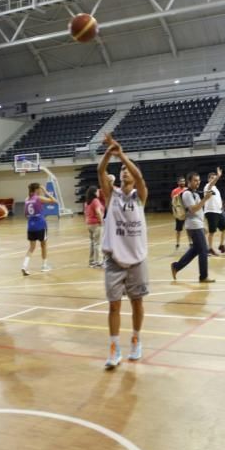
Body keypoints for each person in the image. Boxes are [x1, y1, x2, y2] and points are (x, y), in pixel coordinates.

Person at [98, 133, 149, 369]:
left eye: (127, 170)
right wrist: (110, 152)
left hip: (137, 259)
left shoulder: (140, 196)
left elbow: (138, 176)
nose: (124, 172)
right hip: (114, 259)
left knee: (137, 302)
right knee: (114, 305)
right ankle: (114, 347)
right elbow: (101, 171)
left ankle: (136, 339)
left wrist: (123, 154)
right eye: (121, 171)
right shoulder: (112, 196)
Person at [170, 168, 221, 284]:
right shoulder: (187, 194)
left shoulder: (196, 194)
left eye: (198, 181)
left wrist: (203, 225)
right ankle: (203, 276)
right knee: (203, 250)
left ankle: (176, 267)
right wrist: (205, 199)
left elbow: (199, 211)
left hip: (198, 225)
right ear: (189, 181)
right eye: (195, 181)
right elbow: (193, 209)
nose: (197, 183)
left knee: (195, 250)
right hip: (193, 226)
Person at [21, 182, 57, 275]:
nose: (41, 190)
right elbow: (54, 201)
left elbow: (25, 215)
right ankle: (44, 266)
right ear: (37, 189)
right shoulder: (38, 198)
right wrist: (46, 191)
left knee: (31, 247)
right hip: (40, 225)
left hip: (30, 226)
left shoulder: (27, 199)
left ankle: (24, 266)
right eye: (40, 188)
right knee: (43, 245)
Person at [204, 170, 225, 255]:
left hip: (218, 212)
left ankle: (221, 246)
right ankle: (210, 249)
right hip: (211, 212)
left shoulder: (216, 189)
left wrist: (221, 207)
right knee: (212, 231)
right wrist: (218, 176)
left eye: (214, 178)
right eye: (212, 178)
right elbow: (211, 184)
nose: (214, 179)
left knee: (224, 228)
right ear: (208, 179)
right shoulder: (207, 186)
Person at [84, 185, 104, 267]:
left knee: (93, 243)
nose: (99, 192)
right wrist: (101, 221)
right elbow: (98, 212)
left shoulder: (87, 202)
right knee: (98, 243)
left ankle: (92, 260)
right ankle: (98, 261)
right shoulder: (95, 201)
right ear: (94, 193)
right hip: (96, 224)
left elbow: (86, 213)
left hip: (89, 224)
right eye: (98, 191)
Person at [170, 176, 187, 249]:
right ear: (178, 182)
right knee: (178, 229)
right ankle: (177, 243)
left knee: (189, 228)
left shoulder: (187, 189)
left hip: (187, 211)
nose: (182, 182)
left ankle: (191, 242)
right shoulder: (174, 191)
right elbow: (173, 202)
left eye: (183, 181)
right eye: (181, 181)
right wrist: (175, 212)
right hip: (180, 212)